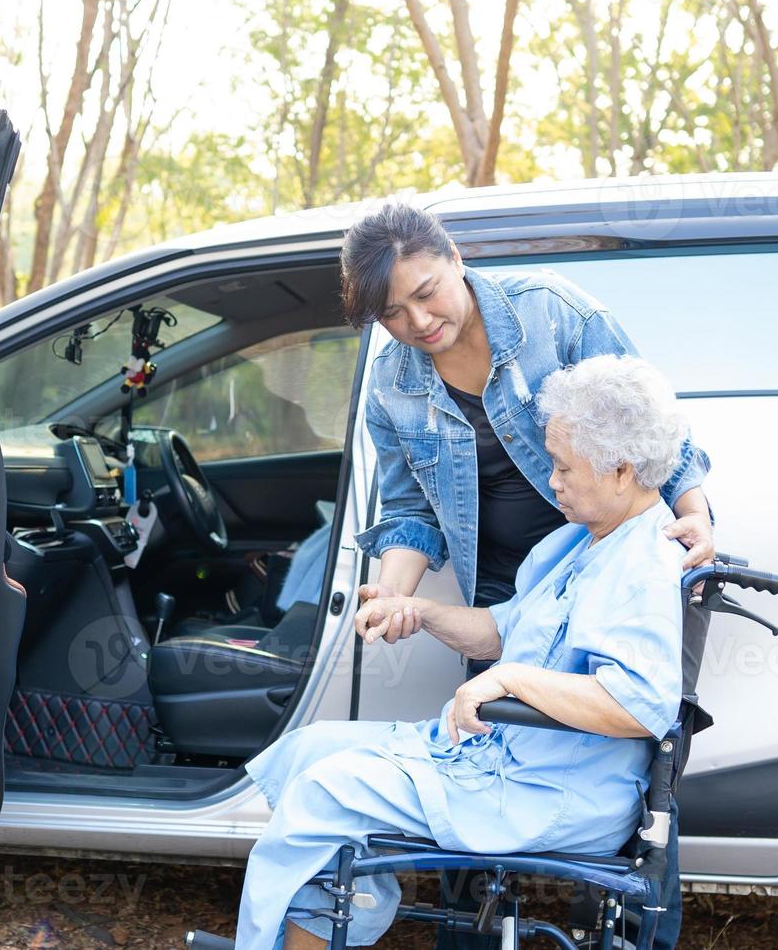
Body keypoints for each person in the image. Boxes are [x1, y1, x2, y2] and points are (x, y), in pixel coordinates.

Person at [233, 354, 692, 949]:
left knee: (327, 792)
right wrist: (421, 612)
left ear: (623, 470)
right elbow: (504, 630)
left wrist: (510, 682)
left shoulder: (643, 562)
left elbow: (639, 705)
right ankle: (326, 926)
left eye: (563, 468)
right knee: (309, 750)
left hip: (549, 793)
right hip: (504, 761)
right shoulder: (588, 541)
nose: (551, 482)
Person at [343, 201, 708, 947]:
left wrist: (695, 512)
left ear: (456, 257)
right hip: (506, 586)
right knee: (483, 752)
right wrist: (393, 592)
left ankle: (629, 927)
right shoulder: (392, 384)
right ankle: (474, 933)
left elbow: (652, 422)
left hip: (602, 559)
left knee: (634, 757)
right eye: (391, 312)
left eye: (426, 291)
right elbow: (409, 510)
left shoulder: (556, 314)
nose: (417, 321)